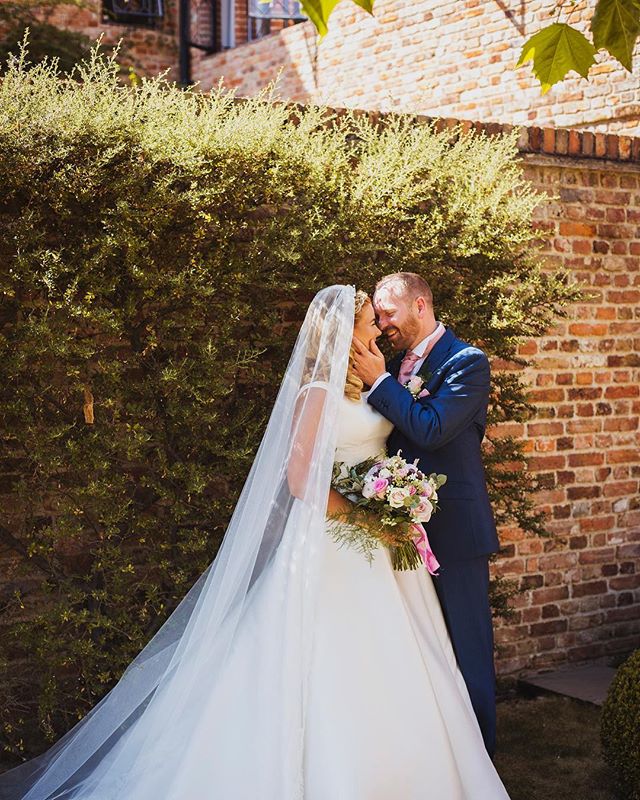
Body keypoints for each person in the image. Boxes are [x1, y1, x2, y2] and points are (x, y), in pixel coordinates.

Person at [0, 285, 509, 800]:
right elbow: (299, 475)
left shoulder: (390, 376)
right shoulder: (320, 390)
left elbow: (418, 432)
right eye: (369, 321)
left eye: (383, 317)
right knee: (331, 661)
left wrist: (394, 498)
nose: (377, 328)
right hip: (340, 542)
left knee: (424, 659)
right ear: (341, 333)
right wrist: (366, 514)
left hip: (393, 544)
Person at [351, 271, 501, 756]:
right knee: (421, 658)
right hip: (395, 535)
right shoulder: (390, 366)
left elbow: (432, 429)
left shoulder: (466, 362)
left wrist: (377, 382)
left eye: (389, 312)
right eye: (377, 315)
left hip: (454, 535)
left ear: (420, 306)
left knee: (466, 655)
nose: (382, 322)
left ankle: (482, 768)